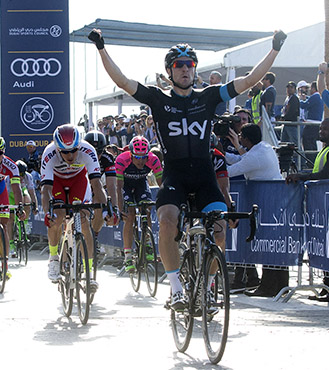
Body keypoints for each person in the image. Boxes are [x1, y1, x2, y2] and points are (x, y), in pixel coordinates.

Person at [89, 27, 287, 309]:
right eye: (178, 65)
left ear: (195, 70)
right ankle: (177, 289)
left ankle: (207, 287)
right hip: (175, 175)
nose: (185, 69)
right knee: (168, 219)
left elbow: (249, 80)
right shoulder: (159, 98)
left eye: (189, 65)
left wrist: (275, 48)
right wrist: (101, 48)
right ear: (170, 71)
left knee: (218, 229)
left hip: (204, 175)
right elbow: (122, 81)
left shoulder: (207, 97)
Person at [286, 117, 329, 301]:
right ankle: (327, 286)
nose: (321, 132)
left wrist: (301, 176)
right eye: (321, 128)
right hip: (324, 205)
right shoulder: (328, 149)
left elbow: (325, 175)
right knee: (326, 250)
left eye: (325, 129)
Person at [41, 124, 109, 290]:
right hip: (56, 182)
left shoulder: (88, 150)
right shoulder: (49, 154)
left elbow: (96, 184)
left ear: (79, 145)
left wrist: (106, 209)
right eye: (64, 152)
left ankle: (88, 273)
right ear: (57, 149)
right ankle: (54, 259)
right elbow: (45, 190)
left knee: (84, 222)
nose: (70, 155)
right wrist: (48, 212)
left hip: (78, 180)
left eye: (73, 150)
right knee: (56, 218)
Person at [228, 123, 288, 296]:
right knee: (274, 244)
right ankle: (280, 285)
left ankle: (268, 287)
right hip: (274, 200)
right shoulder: (264, 148)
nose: (239, 138)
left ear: (246, 139)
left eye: (240, 136)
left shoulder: (255, 156)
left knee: (268, 243)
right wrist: (220, 153)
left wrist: (213, 166)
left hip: (267, 202)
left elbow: (233, 170)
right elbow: (242, 159)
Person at [115, 136, 163, 272]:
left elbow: (161, 184)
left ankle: (147, 242)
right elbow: (118, 187)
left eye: (144, 157)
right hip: (126, 185)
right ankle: (128, 255)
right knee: (129, 215)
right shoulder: (121, 160)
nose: (141, 161)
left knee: (146, 208)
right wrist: (120, 208)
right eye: (137, 157)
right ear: (131, 154)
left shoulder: (154, 159)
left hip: (142, 183)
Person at [84, 130, 119, 235]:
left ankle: (94, 236)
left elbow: (112, 186)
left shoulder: (107, 158)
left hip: (96, 185)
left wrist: (114, 208)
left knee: (100, 206)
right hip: (82, 184)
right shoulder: (79, 155)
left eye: (99, 152)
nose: (96, 155)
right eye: (93, 152)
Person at [0, 137, 26, 268]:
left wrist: (19, 208)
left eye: (0, 154)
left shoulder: (10, 165)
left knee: (4, 224)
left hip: (1, 189)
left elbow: (16, 189)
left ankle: (5, 264)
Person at [6, 160, 38, 258]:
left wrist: (35, 206)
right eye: (18, 175)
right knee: (10, 220)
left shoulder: (28, 176)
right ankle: (11, 245)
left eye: (22, 175)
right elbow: (6, 195)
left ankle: (25, 222)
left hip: (21, 191)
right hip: (10, 194)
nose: (20, 177)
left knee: (26, 197)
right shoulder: (8, 178)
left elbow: (32, 192)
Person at [300, 81, 324, 167]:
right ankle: (313, 161)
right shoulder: (319, 97)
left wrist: (300, 100)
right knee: (312, 143)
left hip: (312, 123)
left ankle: (310, 161)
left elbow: (305, 105)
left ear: (314, 88)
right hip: (316, 123)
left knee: (307, 140)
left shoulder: (315, 96)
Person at [281, 81, 300, 145]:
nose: (289, 89)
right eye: (288, 87)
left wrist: (284, 117)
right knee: (284, 142)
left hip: (291, 124)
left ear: (295, 89)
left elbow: (292, 111)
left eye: (291, 87)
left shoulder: (294, 99)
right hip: (286, 123)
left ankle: (298, 155)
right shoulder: (287, 98)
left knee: (294, 143)